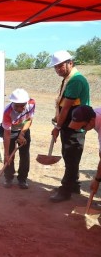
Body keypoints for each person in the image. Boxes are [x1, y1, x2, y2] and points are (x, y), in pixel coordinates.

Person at [48, 50, 90, 203]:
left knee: (71, 156)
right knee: (69, 156)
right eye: (56, 67)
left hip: (74, 125)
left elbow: (66, 108)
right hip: (69, 124)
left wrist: (57, 128)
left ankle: (65, 190)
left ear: (70, 63)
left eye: (60, 66)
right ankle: (74, 185)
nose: (58, 70)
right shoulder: (68, 78)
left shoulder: (76, 80)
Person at [1, 88, 35, 189]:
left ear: (26, 102)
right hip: (11, 131)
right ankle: (8, 178)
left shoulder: (32, 103)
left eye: (22, 106)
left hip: (24, 129)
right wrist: (6, 154)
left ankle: (22, 179)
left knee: (24, 155)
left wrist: (22, 134)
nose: (20, 109)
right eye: (17, 106)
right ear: (12, 102)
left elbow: (29, 120)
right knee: (9, 156)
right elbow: (7, 134)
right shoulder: (7, 112)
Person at [68, 106, 101, 195]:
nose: (82, 130)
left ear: (91, 121)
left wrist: (97, 180)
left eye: (83, 127)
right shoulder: (94, 114)